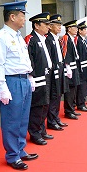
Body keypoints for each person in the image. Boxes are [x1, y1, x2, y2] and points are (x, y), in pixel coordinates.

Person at [0, 1, 37, 170]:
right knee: (12, 119)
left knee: (23, 118)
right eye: (22, 16)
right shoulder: (1, 37)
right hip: (11, 82)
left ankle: (20, 149)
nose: (24, 19)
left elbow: (24, 61)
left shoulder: (17, 37)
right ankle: (12, 156)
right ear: (12, 17)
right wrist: (2, 88)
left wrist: (30, 77)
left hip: (23, 80)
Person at [25, 12, 53, 145]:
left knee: (45, 104)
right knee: (37, 106)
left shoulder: (43, 39)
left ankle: (41, 129)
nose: (48, 27)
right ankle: (34, 133)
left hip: (46, 75)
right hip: (37, 77)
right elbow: (29, 59)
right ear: (36, 25)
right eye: (46, 24)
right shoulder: (31, 39)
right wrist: (31, 75)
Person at [45, 14, 69, 130]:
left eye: (60, 25)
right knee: (53, 96)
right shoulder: (48, 39)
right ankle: (51, 120)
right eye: (57, 25)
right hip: (53, 70)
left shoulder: (56, 39)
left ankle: (56, 118)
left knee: (58, 95)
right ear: (50, 26)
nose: (59, 27)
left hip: (59, 68)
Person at [61, 20, 81, 120]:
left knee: (74, 89)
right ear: (69, 28)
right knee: (70, 91)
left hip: (74, 66)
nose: (77, 30)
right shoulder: (66, 38)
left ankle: (72, 108)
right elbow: (65, 53)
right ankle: (68, 110)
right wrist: (67, 67)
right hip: (69, 67)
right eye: (75, 28)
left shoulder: (72, 39)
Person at [75, 21, 87, 112]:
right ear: (80, 31)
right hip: (81, 67)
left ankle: (82, 103)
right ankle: (80, 104)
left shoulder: (83, 40)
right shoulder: (79, 41)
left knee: (84, 86)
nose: (85, 31)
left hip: (85, 66)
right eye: (84, 29)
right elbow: (79, 56)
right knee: (81, 87)